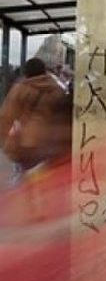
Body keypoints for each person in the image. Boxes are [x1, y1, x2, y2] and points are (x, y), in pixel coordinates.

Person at [0, 58, 70, 186]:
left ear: (26, 72)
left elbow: (7, 116)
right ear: (44, 71)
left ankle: (26, 192)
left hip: (26, 141)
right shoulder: (57, 89)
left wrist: (6, 140)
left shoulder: (20, 89)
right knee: (45, 177)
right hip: (49, 141)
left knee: (24, 177)